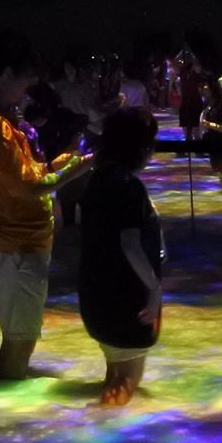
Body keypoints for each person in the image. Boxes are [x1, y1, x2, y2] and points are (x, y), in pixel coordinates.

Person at [0, 29, 91, 379]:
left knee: (20, 336)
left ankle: (8, 395)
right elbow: (29, 187)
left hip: (17, 242)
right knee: (20, 341)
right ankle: (6, 401)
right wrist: (79, 168)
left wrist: (61, 163)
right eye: (25, 79)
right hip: (13, 246)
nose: (26, 89)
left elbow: (28, 175)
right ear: (7, 74)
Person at [78, 109, 165, 407]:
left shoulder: (96, 180)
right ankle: (100, 428)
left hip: (95, 295)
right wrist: (154, 288)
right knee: (127, 378)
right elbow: (130, 245)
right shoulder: (128, 186)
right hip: (126, 300)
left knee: (115, 371)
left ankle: (95, 425)